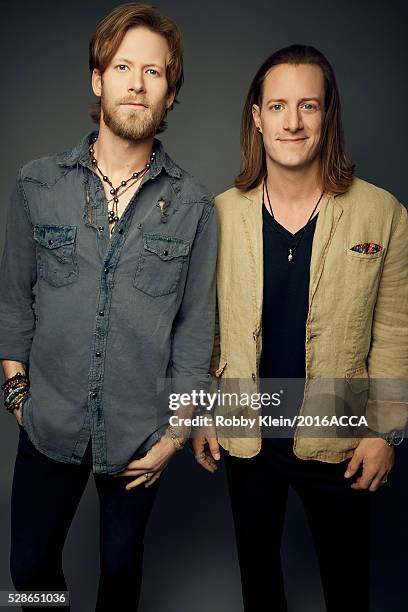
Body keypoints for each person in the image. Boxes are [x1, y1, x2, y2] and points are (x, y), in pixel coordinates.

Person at [0, 3, 216, 610]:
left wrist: (174, 438)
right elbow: (12, 302)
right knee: (29, 571)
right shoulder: (36, 183)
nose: (137, 82)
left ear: (170, 93)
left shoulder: (196, 206)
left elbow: (195, 334)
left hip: (138, 438)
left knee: (120, 579)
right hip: (47, 425)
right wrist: (18, 397)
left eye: (154, 71)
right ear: (98, 79)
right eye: (123, 66)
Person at [193, 45, 408, 611]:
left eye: (307, 106)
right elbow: (203, 329)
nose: (292, 122)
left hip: (339, 433)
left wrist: (384, 432)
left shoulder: (383, 214)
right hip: (248, 434)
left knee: (348, 588)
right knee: (258, 586)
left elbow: (394, 332)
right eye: (278, 106)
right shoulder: (217, 214)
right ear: (256, 116)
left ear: (327, 115)